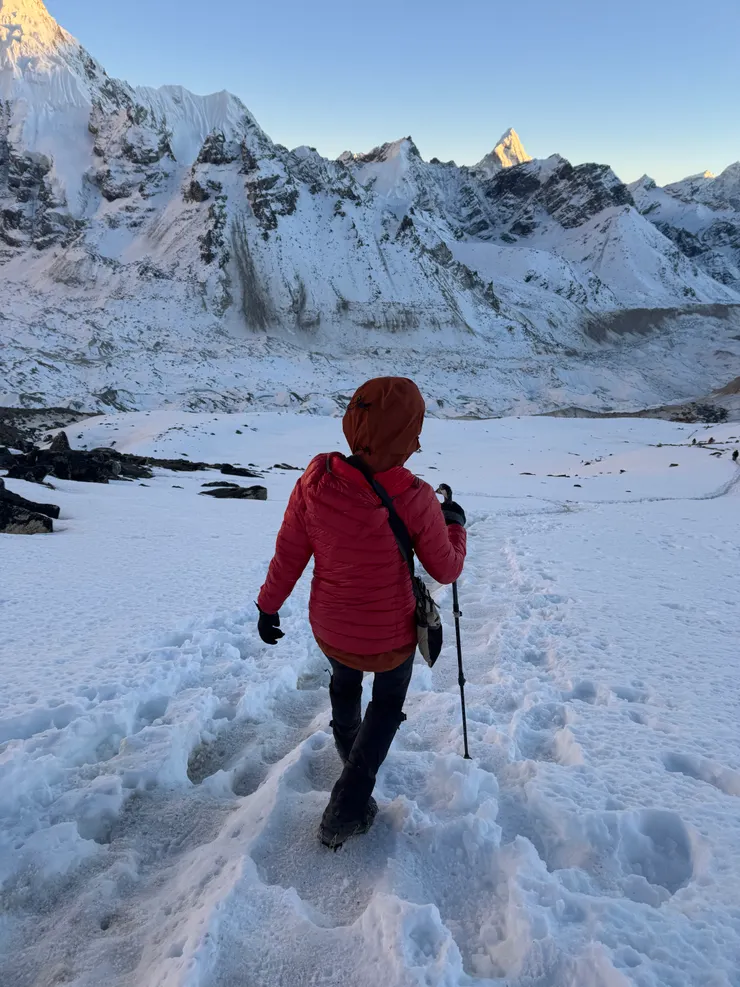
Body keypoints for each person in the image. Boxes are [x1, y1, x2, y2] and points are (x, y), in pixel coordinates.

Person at [256, 377, 467, 848]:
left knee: (345, 680)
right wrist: (454, 524)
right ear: (408, 435)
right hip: (390, 637)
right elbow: (446, 568)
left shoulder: (315, 480)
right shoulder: (415, 495)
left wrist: (267, 607)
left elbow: (289, 553)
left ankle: (346, 745)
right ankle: (348, 805)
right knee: (387, 704)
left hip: (330, 627)